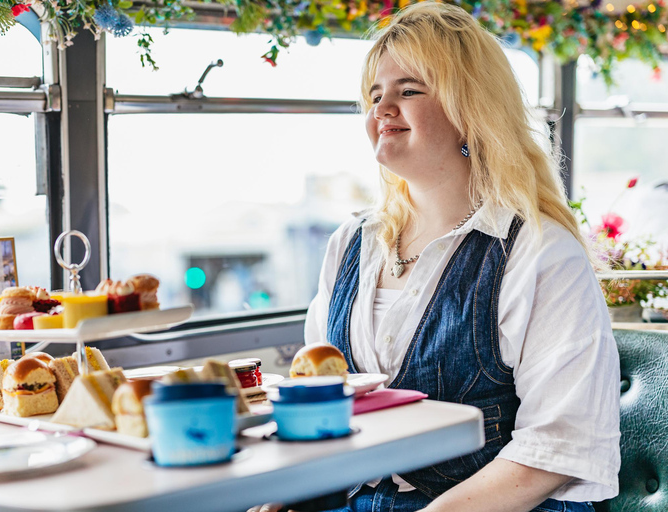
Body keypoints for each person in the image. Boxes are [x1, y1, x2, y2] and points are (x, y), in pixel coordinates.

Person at [250, 2, 620, 512]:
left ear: (469, 110)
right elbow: (323, 412)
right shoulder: (348, 245)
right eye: (375, 94)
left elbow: (557, 450)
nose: (382, 108)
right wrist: (282, 494)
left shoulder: (539, 252)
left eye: (408, 91)